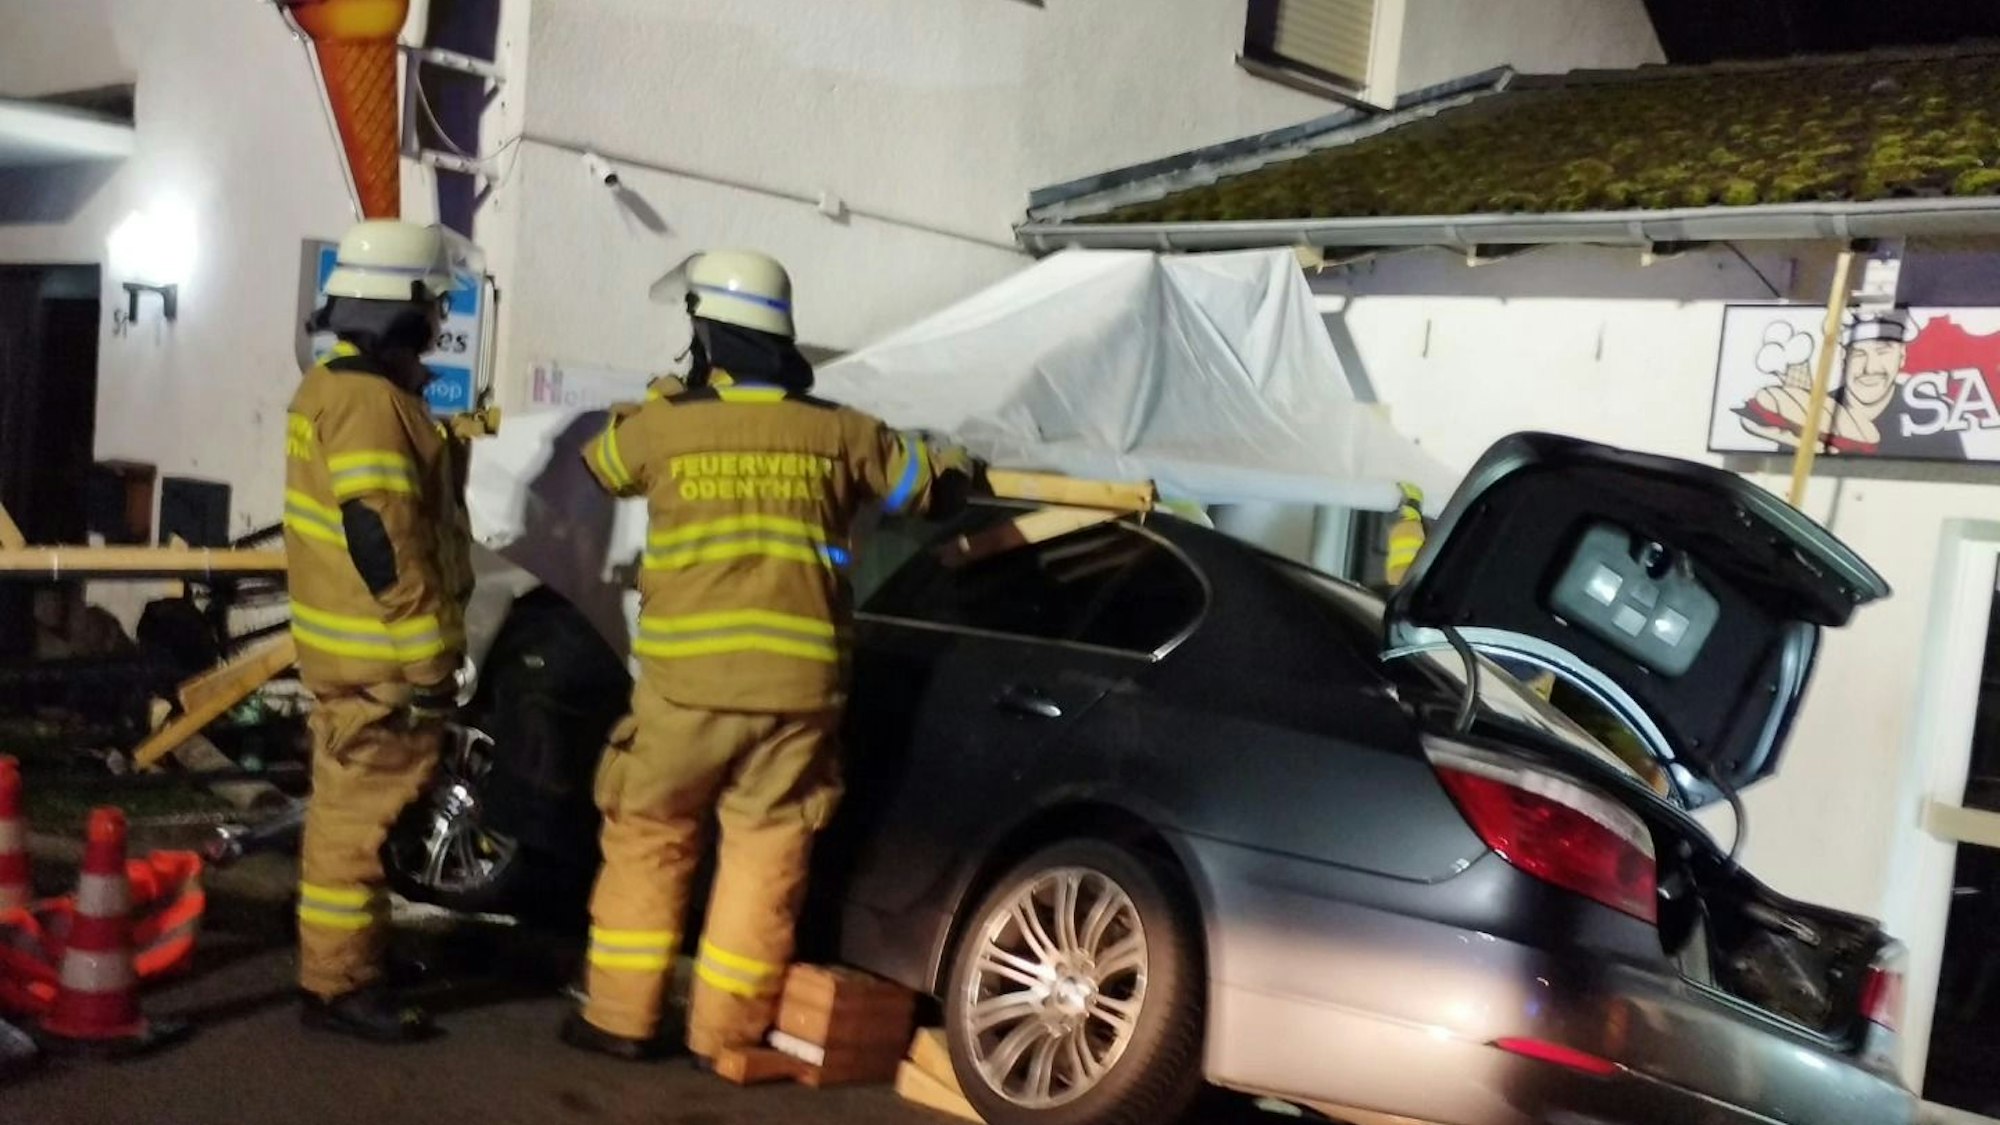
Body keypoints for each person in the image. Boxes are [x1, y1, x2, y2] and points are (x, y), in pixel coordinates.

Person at [561, 249, 980, 1064]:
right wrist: (954, 459)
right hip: (797, 699)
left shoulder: (667, 426)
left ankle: (620, 1018)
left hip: (686, 695)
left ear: (708, 336)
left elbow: (599, 463)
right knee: (765, 855)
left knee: (651, 838)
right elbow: (932, 490)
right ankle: (726, 1034)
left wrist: (661, 400)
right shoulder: (842, 433)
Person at [284, 219, 475, 1042]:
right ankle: (339, 984)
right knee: (353, 829)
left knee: (355, 817)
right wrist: (431, 658)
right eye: (429, 304)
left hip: (353, 654)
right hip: (382, 662)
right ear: (401, 309)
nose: (436, 321)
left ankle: (349, 959)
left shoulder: (333, 390)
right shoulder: (369, 405)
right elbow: (382, 537)